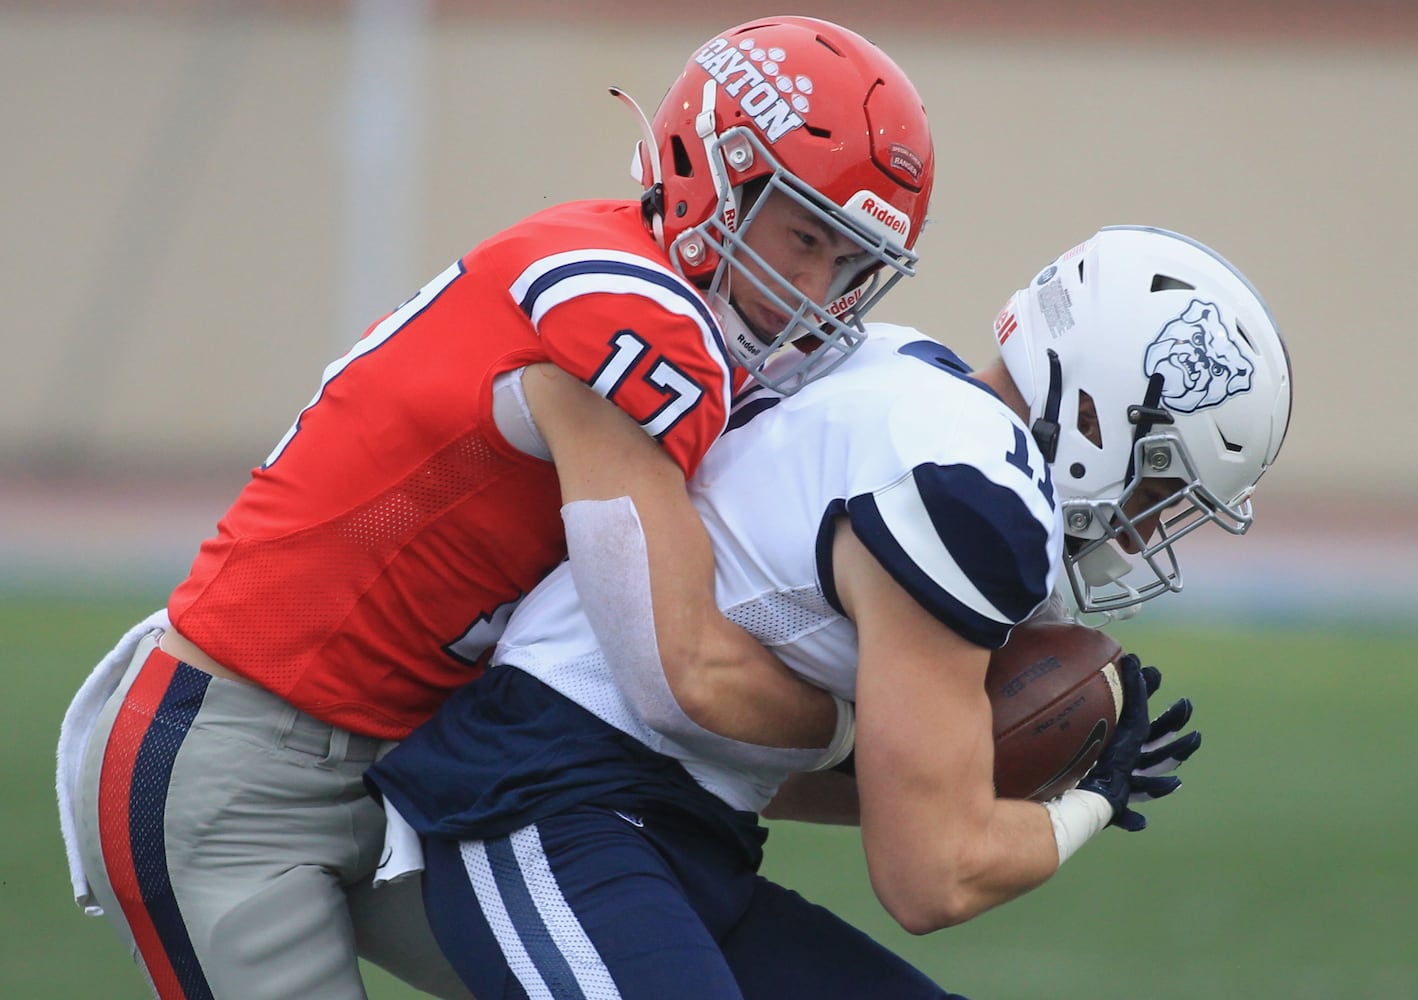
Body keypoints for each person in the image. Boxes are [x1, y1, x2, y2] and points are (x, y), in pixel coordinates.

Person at [57, 16, 935, 1000]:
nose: (815, 288)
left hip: (419, 764)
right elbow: (679, 671)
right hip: (234, 758)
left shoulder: (631, 281)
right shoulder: (636, 328)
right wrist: (896, 736)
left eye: (848, 261)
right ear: (713, 171)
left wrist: (933, 754)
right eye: (805, 236)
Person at [365, 225, 1295, 999]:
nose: (1138, 530)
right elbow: (931, 875)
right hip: (544, 797)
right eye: (1157, 487)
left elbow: (798, 759)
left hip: (674, 820)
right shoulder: (974, 496)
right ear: (1099, 414)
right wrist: (1088, 804)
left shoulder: (905, 373)